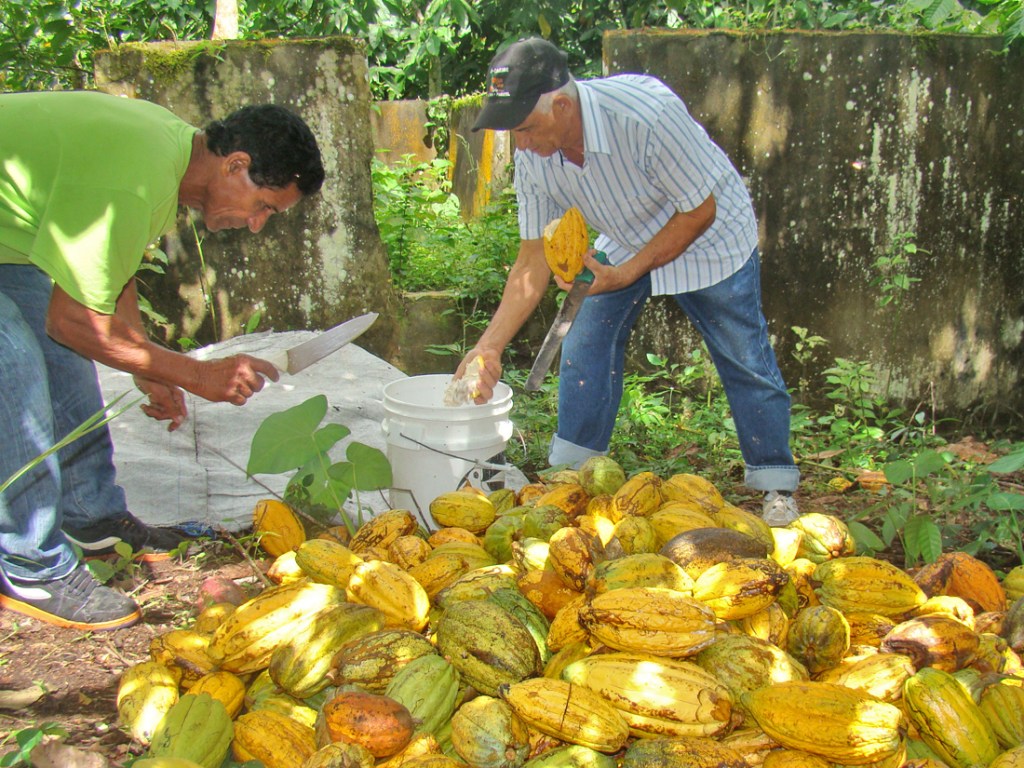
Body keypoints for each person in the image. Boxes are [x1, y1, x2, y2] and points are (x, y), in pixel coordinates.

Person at [0, 92, 325, 630]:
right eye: (265, 205)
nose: (257, 224)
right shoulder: (135, 177)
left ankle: (91, 518)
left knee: (57, 346)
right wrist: (195, 373)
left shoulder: (165, 157)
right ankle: (29, 564)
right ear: (236, 165)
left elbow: (109, 278)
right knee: (15, 364)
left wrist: (148, 366)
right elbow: (74, 320)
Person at [458, 37, 800, 526]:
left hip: (709, 228)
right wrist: (488, 346)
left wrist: (627, 272)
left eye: (527, 128)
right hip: (624, 233)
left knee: (743, 354)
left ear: (561, 104)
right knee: (585, 339)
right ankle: (573, 474)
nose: (522, 144)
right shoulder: (534, 154)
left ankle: (776, 484)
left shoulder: (645, 115)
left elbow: (698, 210)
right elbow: (531, 260)